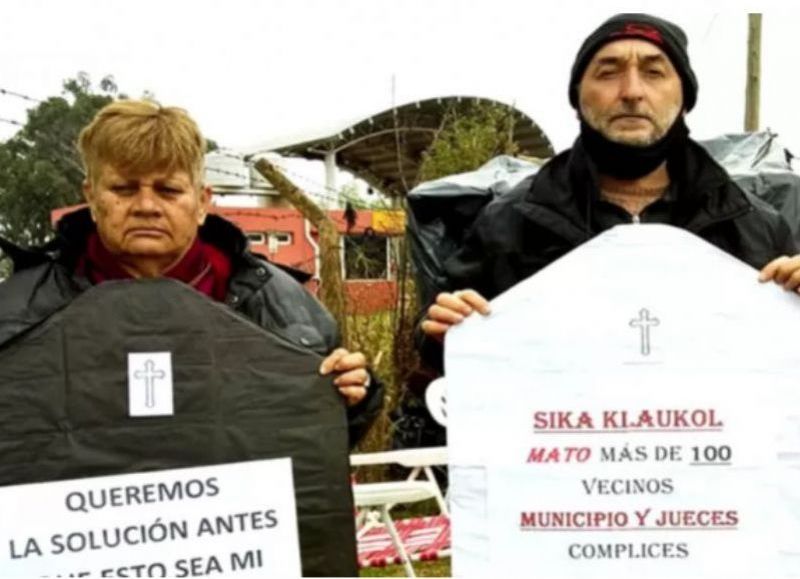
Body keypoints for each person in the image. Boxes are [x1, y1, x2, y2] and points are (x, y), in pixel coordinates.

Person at [418, 13, 800, 370]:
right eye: (608, 73)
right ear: (577, 100)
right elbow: (446, 371)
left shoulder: (754, 227)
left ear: (684, 100)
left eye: (654, 73)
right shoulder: (509, 224)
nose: (632, 91)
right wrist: (445, 335)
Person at [0, 99, 382, 443]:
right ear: (91, 198)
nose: (146, 206)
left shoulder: (281, 302)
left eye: (168, 190)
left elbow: (315, 450)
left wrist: (353, 399)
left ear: (201, 202)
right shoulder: (19, 309)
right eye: (124, 188)